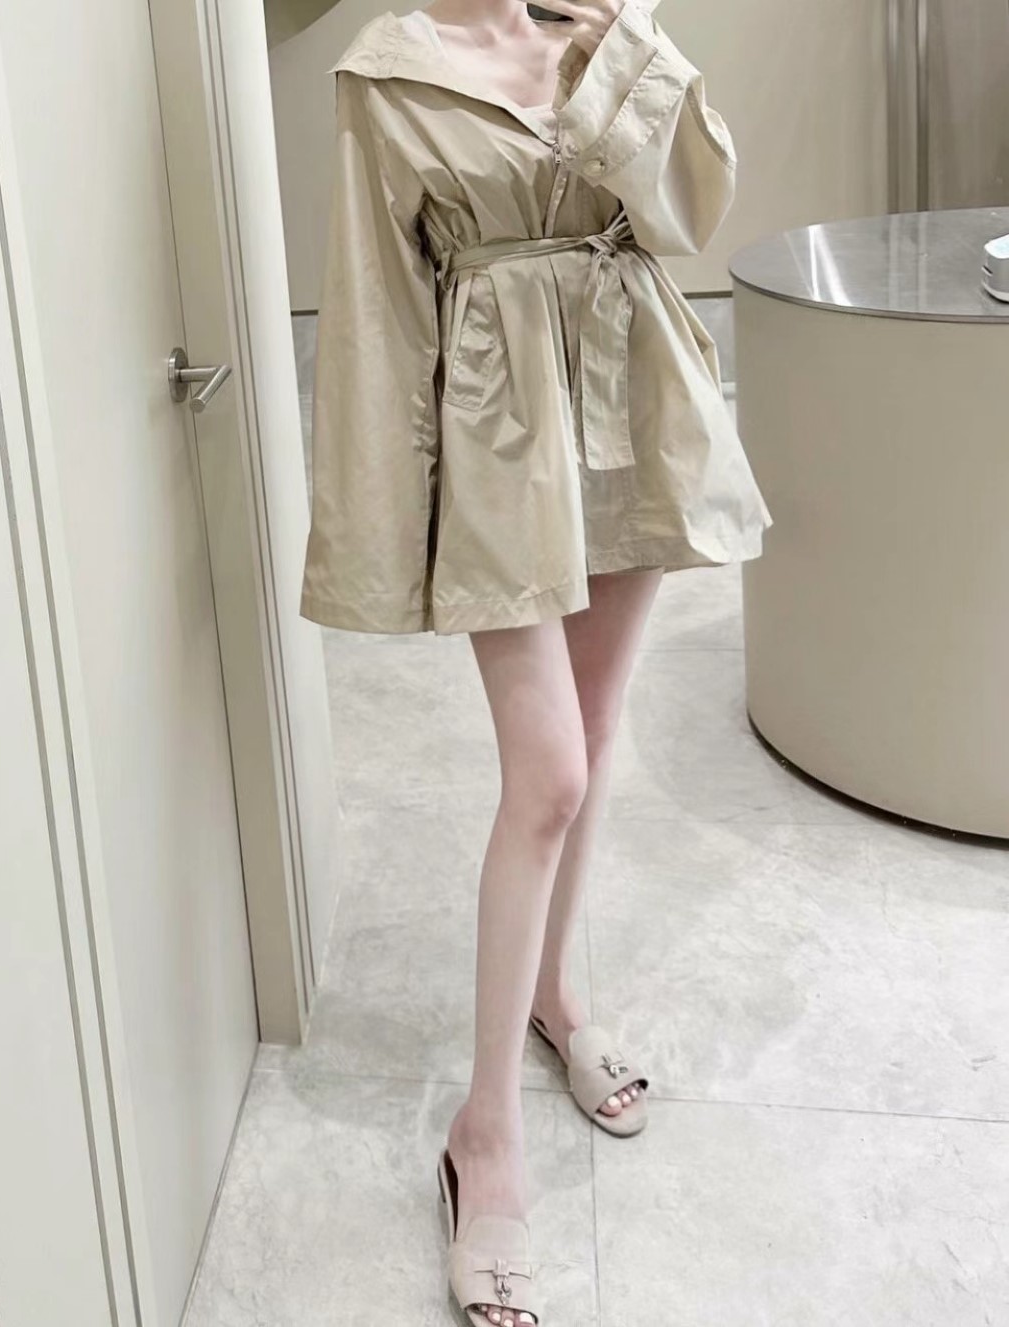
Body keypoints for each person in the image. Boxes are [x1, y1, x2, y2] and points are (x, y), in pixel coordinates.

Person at [298, 1, 772, 1322]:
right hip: (503, 437)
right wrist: (387, 529)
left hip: (632, 389)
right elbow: (380, 316)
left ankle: (560, 992)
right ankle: (485, 1132)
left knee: (601, 726)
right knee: (549, 774)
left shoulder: (601, 33)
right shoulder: (386, 75)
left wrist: (630, 46)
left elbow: (691, 208)